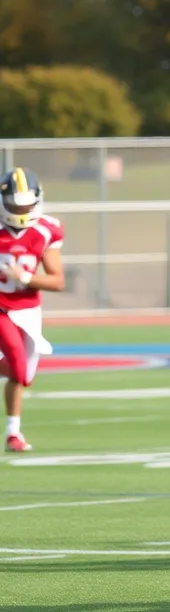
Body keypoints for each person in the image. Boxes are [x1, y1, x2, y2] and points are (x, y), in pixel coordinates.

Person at [0, 168, 64, 453]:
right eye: (15, 204)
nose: (21, 210)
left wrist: (25, 277)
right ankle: (13, 433)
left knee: (24, 376)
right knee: (16, 359)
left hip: (28, 309)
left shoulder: (46, 230)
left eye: (26, 204)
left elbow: (57, 281)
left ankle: (13, 433)